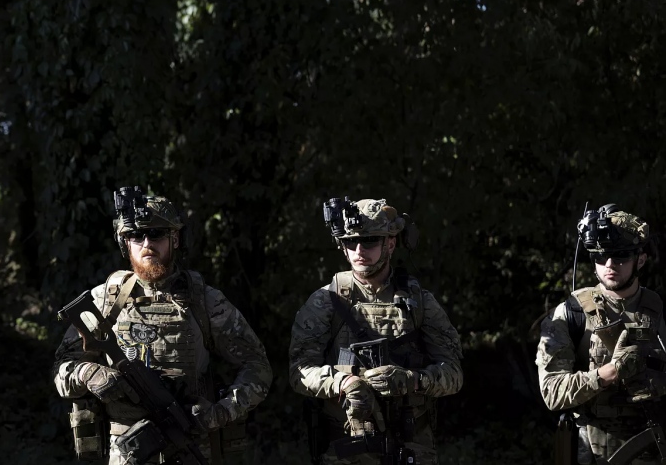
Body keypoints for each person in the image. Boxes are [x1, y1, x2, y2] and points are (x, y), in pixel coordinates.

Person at [53, 187, 272, 464]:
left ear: (175, 238)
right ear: (124, 243)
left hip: (191, 444)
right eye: (135, 235)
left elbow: (258, 367)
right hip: (126, 452)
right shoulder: (105, 300)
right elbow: (61, 371)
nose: (146, 243)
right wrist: (88, 373)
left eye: (156, 234)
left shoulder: (205, 301)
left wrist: (221, 412)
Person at [289, 197, 463, 464]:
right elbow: (299, 371)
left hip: (410, 445)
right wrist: (343, 382)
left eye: (369, 240)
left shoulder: (420, 302)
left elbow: (454, 374)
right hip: (347, 447)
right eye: (350, 242)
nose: (359, 250)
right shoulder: (326, 301)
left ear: (390, 243)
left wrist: (413, 380)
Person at [537, 204, 666, 464]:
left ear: (640, 260)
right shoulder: (570, 313)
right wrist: (609, 373)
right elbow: (552, 392)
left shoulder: (661, 312)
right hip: (591, 453)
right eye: (600, 257)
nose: (609, 265)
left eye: (619, 257)